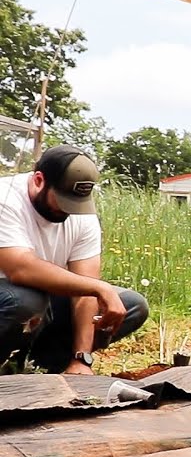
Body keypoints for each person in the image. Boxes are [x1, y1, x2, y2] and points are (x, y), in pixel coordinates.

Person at [0, 145, 149, 375]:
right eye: (63, 200)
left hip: (40, 303)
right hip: (10, 298)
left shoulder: (81, 213)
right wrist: (99, 287)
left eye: (76, 202)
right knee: (27, 301)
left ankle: (43, 368)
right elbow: (20, 268)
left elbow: (85, 292)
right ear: (39, 180)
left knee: (132, 305)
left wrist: (82, 358)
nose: (69, 210)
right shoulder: (6, 198)